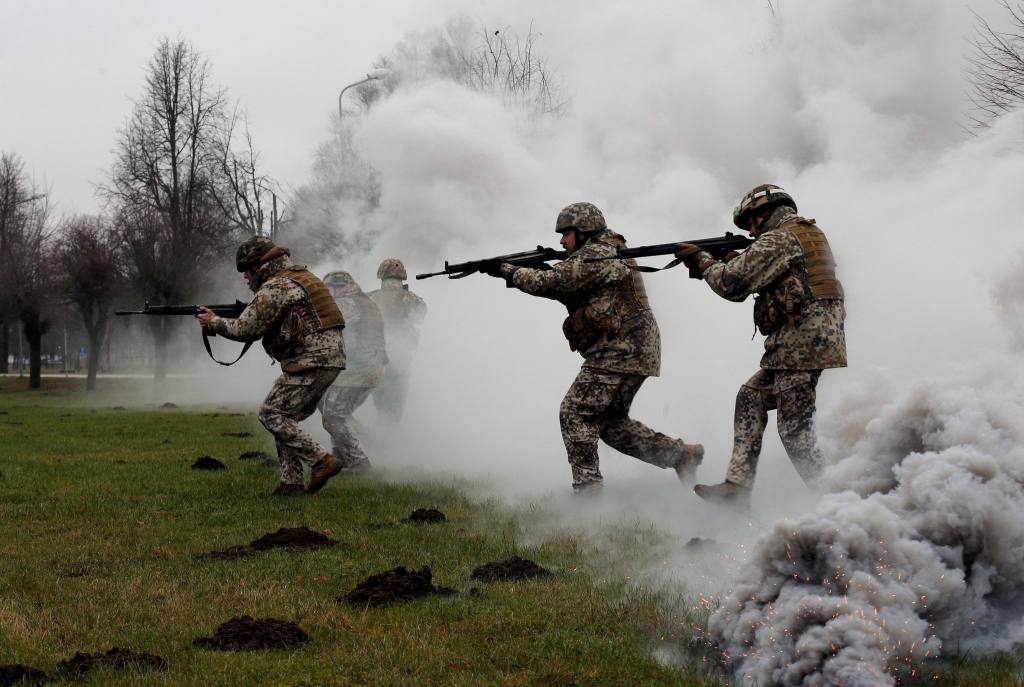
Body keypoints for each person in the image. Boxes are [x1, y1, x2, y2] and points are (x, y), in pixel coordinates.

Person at [484, 202, 704, 493]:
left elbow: (555, 282)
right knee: (609, 423)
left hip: (621, 349)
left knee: (574, 412)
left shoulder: (598, 253)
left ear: (584, 231)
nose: (561, 240)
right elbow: (569, 286)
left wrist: (508, 271)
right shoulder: (604, 250)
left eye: (566, 233)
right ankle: (680, 455)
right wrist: (530, 270)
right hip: (634, 348)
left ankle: (588, 493)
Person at [675, 185, 847, 510]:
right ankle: (737, 487)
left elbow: (731, 284)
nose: (751, 232)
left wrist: (701, 260)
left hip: (800, 347)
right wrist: (733, 259)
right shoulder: (802, 233)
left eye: (752, 224)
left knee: (796, 433)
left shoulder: (780, 238)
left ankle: (838, 505)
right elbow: (777, 275)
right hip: (809, 343)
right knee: (751, 397)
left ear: (765, 213)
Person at [196, 236, 345, 495]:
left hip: (310, 359)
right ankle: (291, 484)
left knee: (271, 414)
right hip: (329, 358)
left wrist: (213, 322)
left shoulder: (277, 286)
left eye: (245, 269)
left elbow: (245, 329)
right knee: (284, 418)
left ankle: (321, 461)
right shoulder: (299, 277)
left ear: (258, 264)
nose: (244, 276)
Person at [319, 270, 387, 473]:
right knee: (332, 408)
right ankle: (341, 455)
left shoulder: (346, 302)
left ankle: (362, 463)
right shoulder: (367, 302)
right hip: (372, 368)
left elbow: (344, 339)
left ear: (336, 287)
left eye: (327, 289)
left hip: (357, 369)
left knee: (332, 416)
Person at [367, 259, 427, 423]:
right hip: (399, 363)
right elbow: (418, 320)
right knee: (393, 411)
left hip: (375, 361)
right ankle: (387, 444)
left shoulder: (369, 298)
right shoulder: (414, 299)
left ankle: (376, 442)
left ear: (381, 274)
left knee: (379, 406)